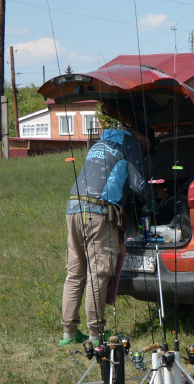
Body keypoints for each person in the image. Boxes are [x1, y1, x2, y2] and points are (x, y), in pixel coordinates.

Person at [61, 126, 147, 345]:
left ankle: (69, 333)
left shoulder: (100, 143)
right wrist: (157, 197)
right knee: (98, 274)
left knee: (75, 273)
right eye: (148, 141)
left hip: (73, 209)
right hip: (97, 212)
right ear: (141, 136)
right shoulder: (131, 144)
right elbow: (139, 186)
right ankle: (96, 334)